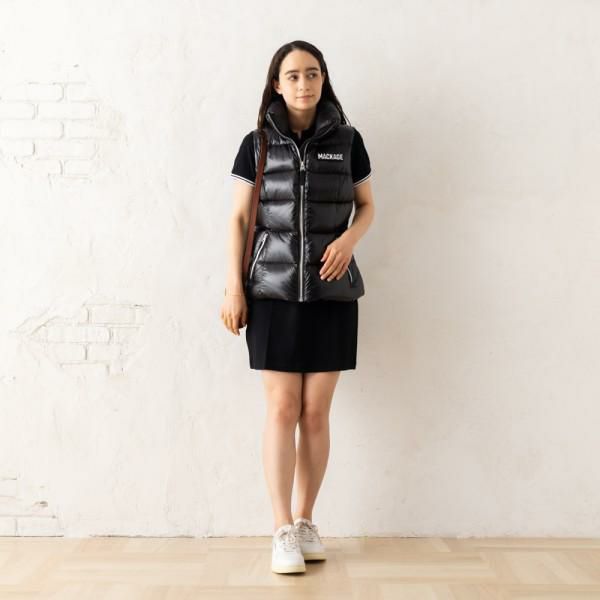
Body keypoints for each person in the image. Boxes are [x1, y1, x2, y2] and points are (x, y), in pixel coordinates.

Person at [220, 40, 375, 574]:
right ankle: (281, 528)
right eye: (293, 75)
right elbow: (239, 219)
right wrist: (234, 287)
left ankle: (307, 521)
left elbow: (367, 207)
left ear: (323, 79)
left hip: (332, 292)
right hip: (272, 292)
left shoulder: (349, 141)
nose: (303, 83)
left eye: (312, 74)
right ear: (277, 84)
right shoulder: (257, 144)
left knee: (315, 413)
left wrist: (349, 240)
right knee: (282, 409)